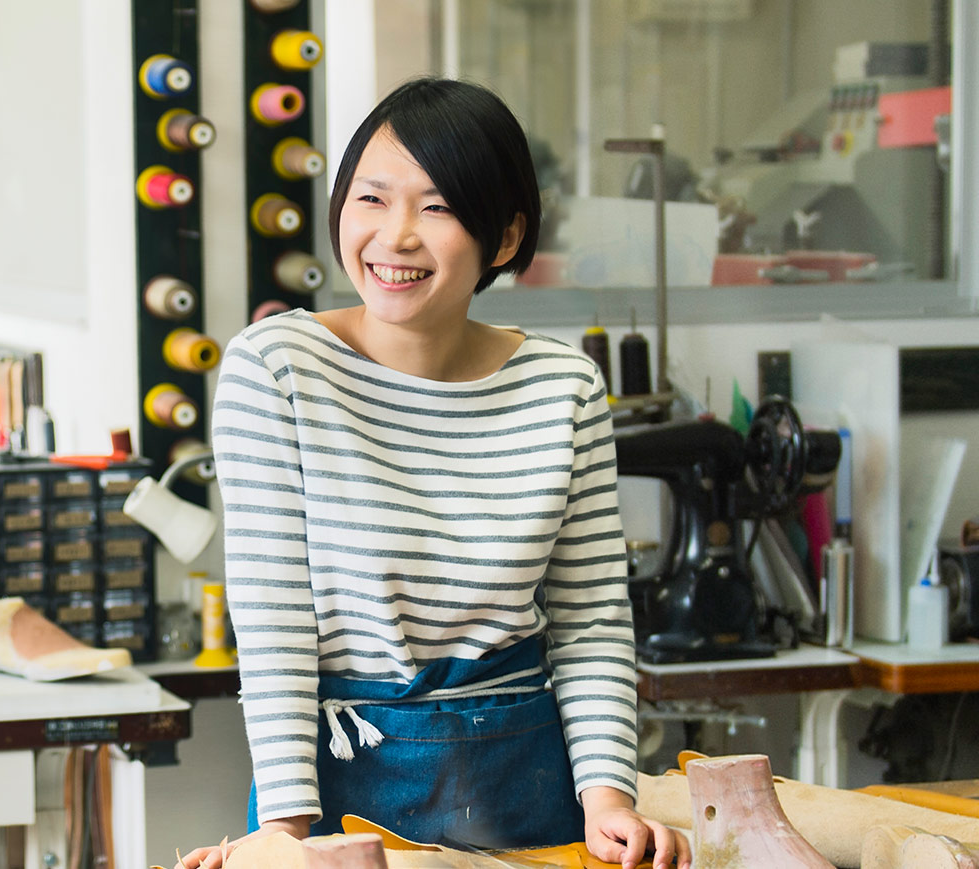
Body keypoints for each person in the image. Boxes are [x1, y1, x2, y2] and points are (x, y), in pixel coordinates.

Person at [185, 78, 690, 869]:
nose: (396, 237)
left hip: (526, 782)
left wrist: (609, 797)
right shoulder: (277, 368)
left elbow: (590, 619)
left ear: (507, 234)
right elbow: (273, 616)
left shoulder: (565, 386)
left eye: (439, 207)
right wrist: (282, 831)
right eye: (372, 198)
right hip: (338, 786)